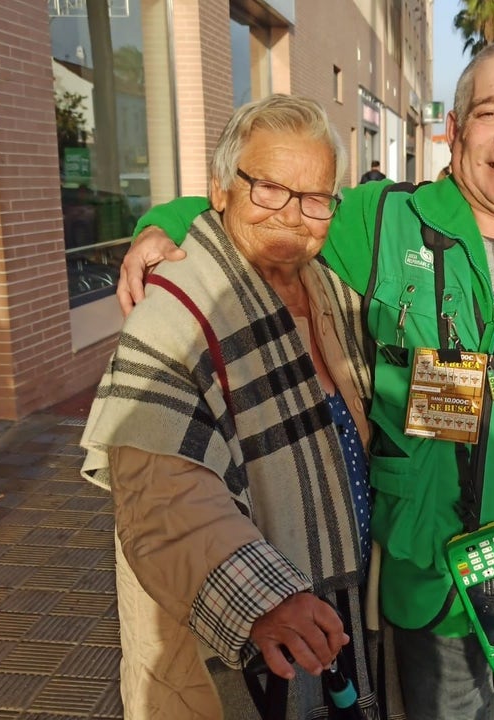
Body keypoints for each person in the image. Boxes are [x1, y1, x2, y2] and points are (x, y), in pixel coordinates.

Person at [120, 40, 494, 720]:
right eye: (489, 113)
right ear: (454, 130)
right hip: (429, 585)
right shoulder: (386, 223)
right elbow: (269, 213)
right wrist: (164, 226)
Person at [81, 94, 395, 719]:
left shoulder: (329, 289)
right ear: (219, 190)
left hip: (339, 610)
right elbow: (164, 497)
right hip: (250, 629)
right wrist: (262, 598)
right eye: (269, 188)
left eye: (315, 198)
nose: (292, 216)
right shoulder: (174, 313)